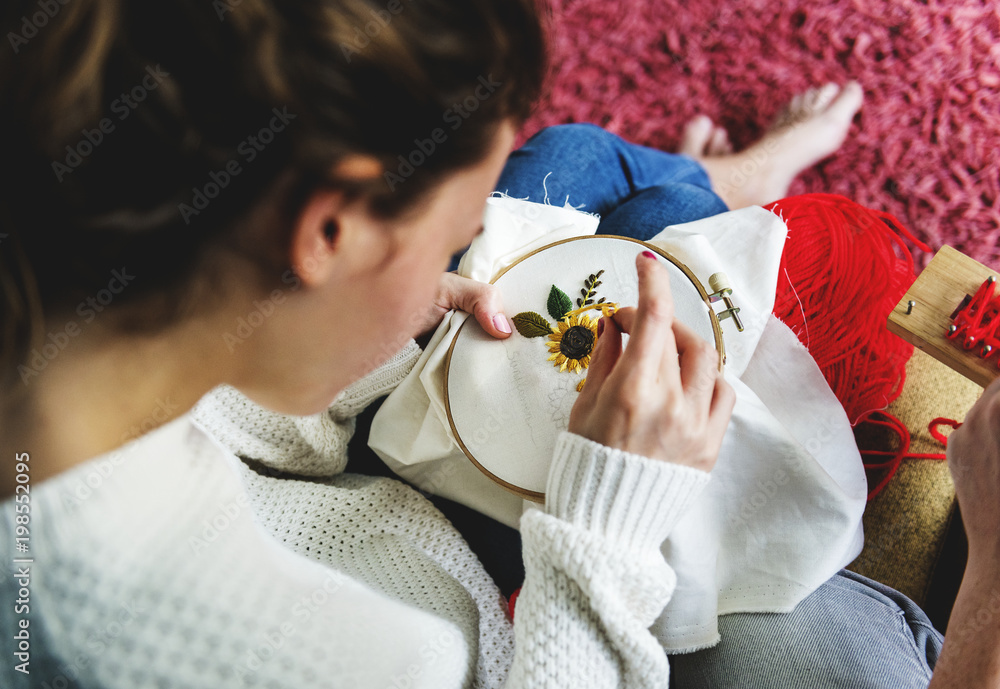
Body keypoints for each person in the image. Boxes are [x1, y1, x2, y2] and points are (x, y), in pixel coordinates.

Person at [1, 1, 996, 689]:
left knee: (565, 170)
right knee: (634, 226)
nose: (461, 251)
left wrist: (370, 320)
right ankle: (709, 193)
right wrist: (607, 513)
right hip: (507, 622)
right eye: (448, 229)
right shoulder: (243, 649)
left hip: (358, 505)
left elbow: (225, 419)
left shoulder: (67, 283)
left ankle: (712, 188)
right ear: (326, 233)